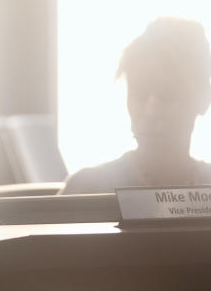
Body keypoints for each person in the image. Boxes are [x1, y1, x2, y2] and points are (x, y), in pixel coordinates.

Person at [60, 17, 211, 194]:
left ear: (204, 99)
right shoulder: (86, 190)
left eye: (168, 95)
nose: (151, 111)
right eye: (139, 94)